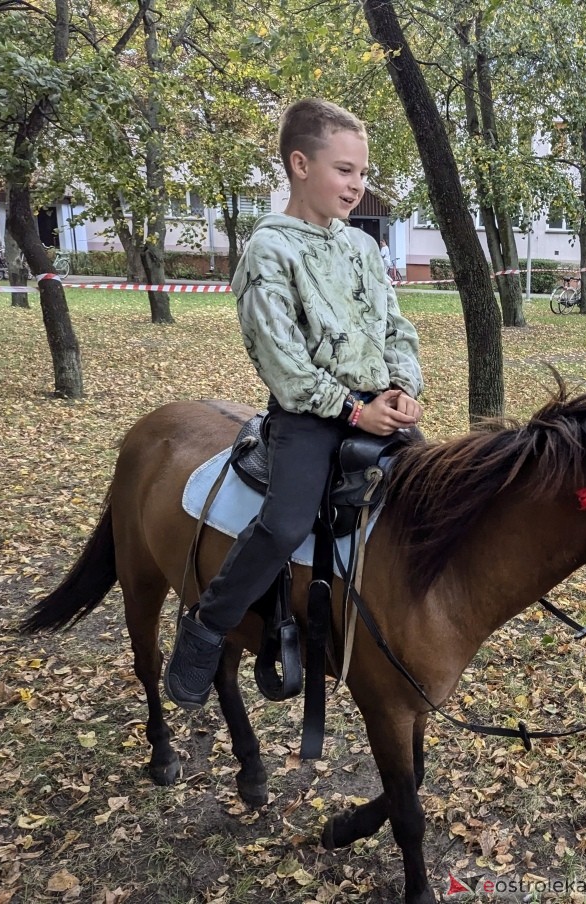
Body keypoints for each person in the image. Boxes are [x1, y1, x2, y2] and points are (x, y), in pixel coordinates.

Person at [164, 99, 424, 710]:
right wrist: (354, 412)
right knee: (283, 525)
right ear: (300, 164)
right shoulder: (269, 250)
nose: (358, 186)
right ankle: (206, 626)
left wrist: (402, 388)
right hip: (310, 414)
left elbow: (396, 329)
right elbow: (282, 362)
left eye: (363, 173)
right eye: (344, 170)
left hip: (379, 404)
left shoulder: (362, 248)